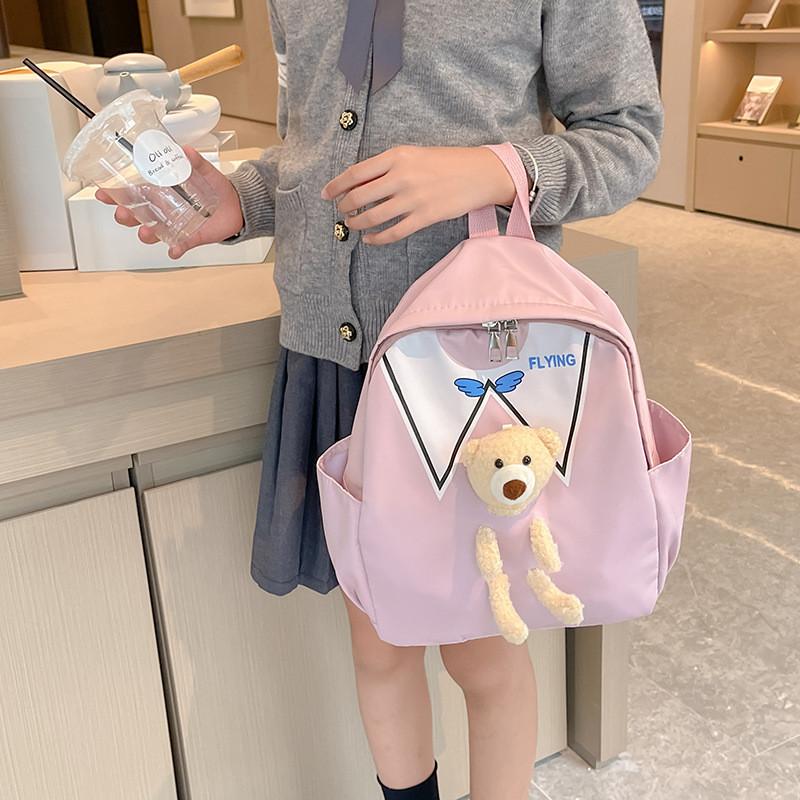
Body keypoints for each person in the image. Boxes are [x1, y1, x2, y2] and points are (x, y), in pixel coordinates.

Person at [99, 1, 663, 797]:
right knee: (379, 646)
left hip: (465, 374)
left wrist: (493, 169)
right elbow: (314, 154)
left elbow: (629, 135)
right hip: (333, 361)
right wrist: (244, 201)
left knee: (483, 649)